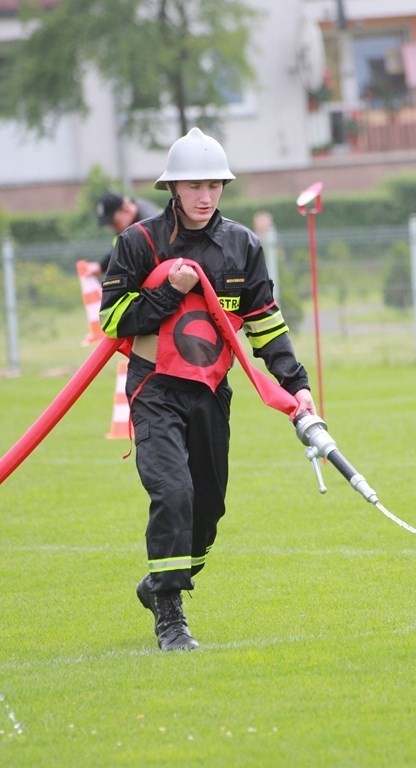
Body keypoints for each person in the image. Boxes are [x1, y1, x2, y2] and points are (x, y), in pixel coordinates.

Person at [99, 127, 316, 652]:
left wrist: (297, 386)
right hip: (154, 390)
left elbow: (265, 323)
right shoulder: (138, 243)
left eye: (214, 186)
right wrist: (169, 292)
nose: (204, 197)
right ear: (172, 188)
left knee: (208, 507)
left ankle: (158, 584)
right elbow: (112, 319)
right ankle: (171, 618)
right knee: (172, 492)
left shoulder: (243, 246)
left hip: (212, 390)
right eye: (194, 186)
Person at [85, 191, 161, 276]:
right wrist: (101, 266)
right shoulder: (129, 225)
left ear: (126, 209)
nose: (112, 227)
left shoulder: (149, 226)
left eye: (114, 222)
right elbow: (120, 249)